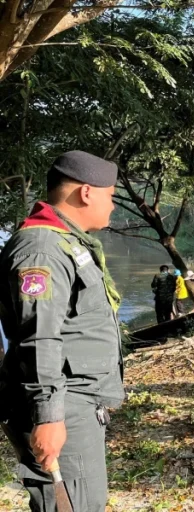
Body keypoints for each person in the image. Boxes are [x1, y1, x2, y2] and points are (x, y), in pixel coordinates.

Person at [0, 150, 124, 511]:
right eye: (110, 196)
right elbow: (39, 338)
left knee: (85, 501)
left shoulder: (67, 242)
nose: (112, 205)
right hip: (61, 404)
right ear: (86, 192)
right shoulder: (41, 249)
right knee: (72, 505)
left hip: (78, 401)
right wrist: (49, 416)